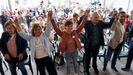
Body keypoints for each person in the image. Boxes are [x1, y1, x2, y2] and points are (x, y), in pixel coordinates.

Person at [49, 10, 89, 75]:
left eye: (71, 26)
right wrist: (51, 19)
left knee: (75, 63)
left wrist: (86, 16)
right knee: (68, 65)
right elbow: (55, 28)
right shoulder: (62, 33)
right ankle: (68, 73)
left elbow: (82, 25)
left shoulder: (75, 32)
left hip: (74, 52)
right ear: (65, 27)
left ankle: (76, 73)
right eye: (68, 26)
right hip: (66, 52)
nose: (69, 27)